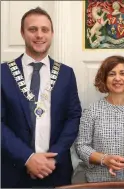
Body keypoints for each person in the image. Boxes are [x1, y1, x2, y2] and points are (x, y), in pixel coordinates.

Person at [1, 7, 82, 188]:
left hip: (55, 169)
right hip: (13, 170)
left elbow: (73, 118)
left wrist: (53, 157)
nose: (39, 35)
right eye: (32, 29)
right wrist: (27, 157)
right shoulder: (3, 73)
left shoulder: (66, 74)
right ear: (22, 33)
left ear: (52, 33)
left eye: (45, 29)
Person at [75, 55, 124, 182]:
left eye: (122, 73)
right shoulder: (91, 111)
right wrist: (104, 159)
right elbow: (81, 146)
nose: (117, 78)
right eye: (112, 74)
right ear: (104, 78)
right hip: (97, 181)